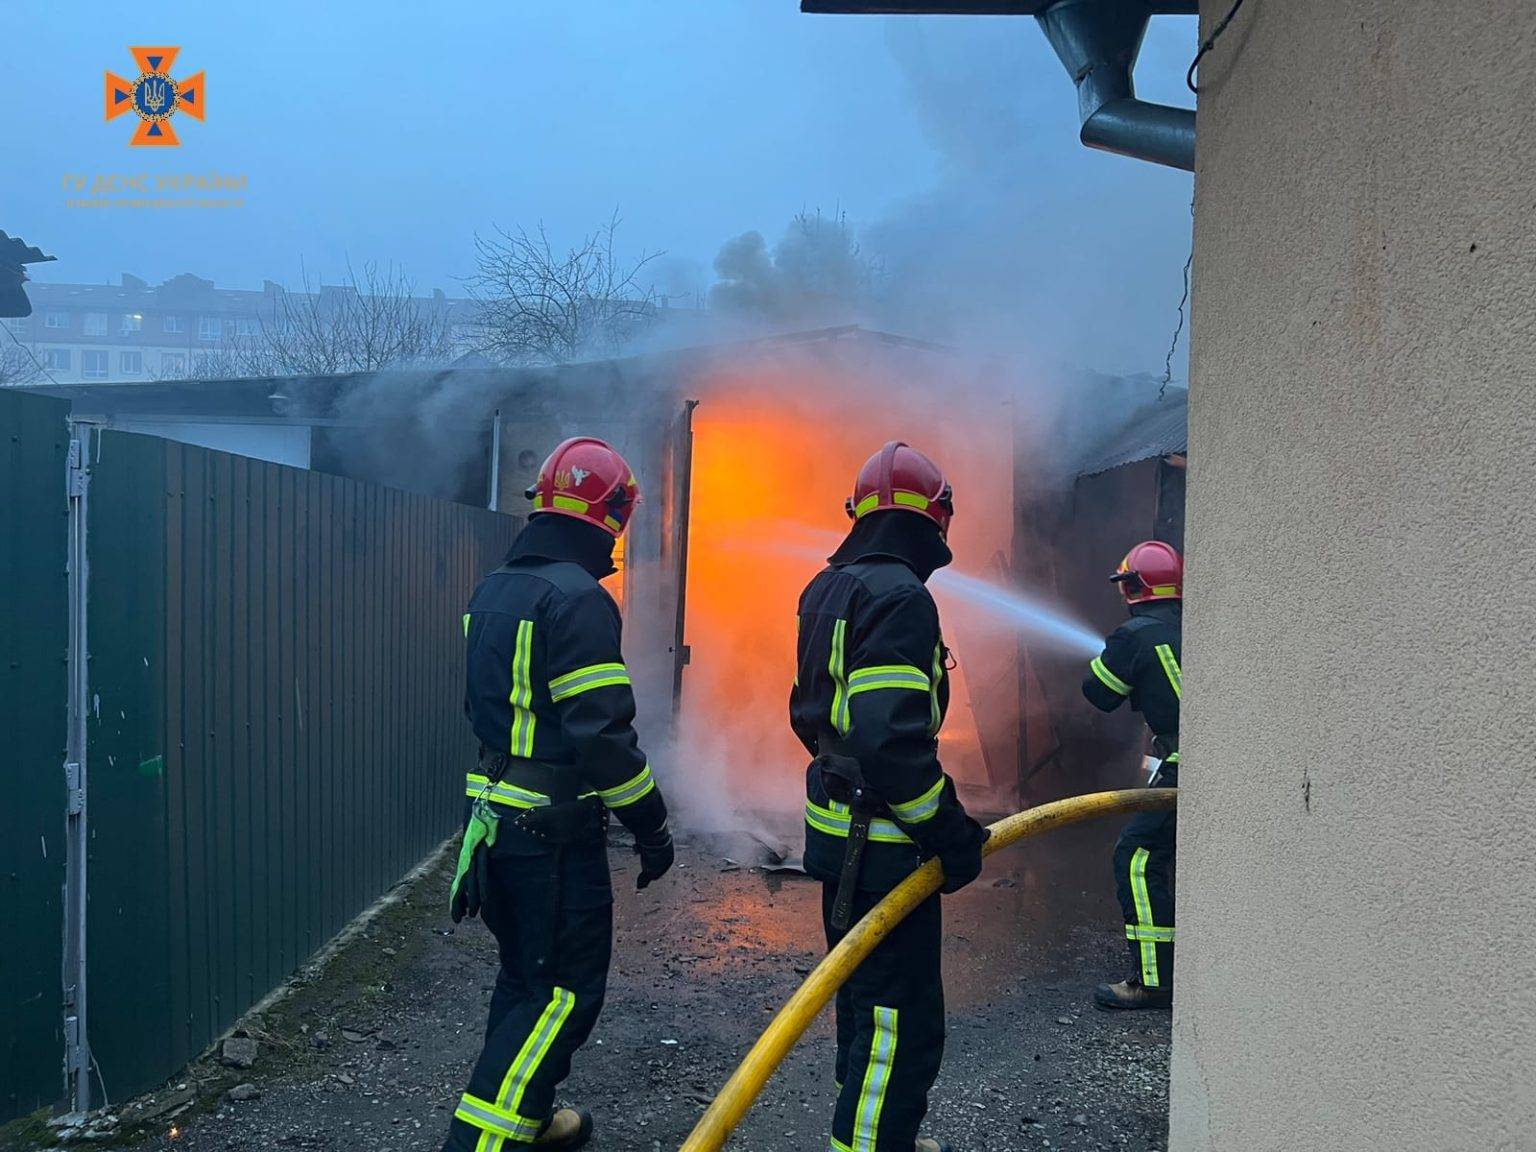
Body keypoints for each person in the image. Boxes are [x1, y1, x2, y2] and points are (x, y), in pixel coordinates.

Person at [444, 436, 675, 1152]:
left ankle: (531, 1118)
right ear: (612, 514)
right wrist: (651, 825)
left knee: (525, 981)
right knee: (563, 994)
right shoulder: (578, 599)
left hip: (497, 825)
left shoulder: (495, 589)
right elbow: (602, 737)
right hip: (550, 837)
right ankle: (481, 1144)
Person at [790, 440, 989, 1152]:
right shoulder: (901, 598)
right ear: (935, 518)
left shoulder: (827, 588)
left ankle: (870, 1136)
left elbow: (812, 717)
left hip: (839, 838)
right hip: (883, 848)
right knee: (899, 1025)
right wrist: (950, 832)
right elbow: (889, 743)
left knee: (863, 1004)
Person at [1081, 540, 1183, 1010]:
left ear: (1133, 587)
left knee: (1137, 857)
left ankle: (1155, 981)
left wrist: (1104, 658)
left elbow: (1100, 693)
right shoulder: (1188, 627)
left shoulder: (1133, 635)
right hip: (1203, 759)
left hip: (1183, 762)